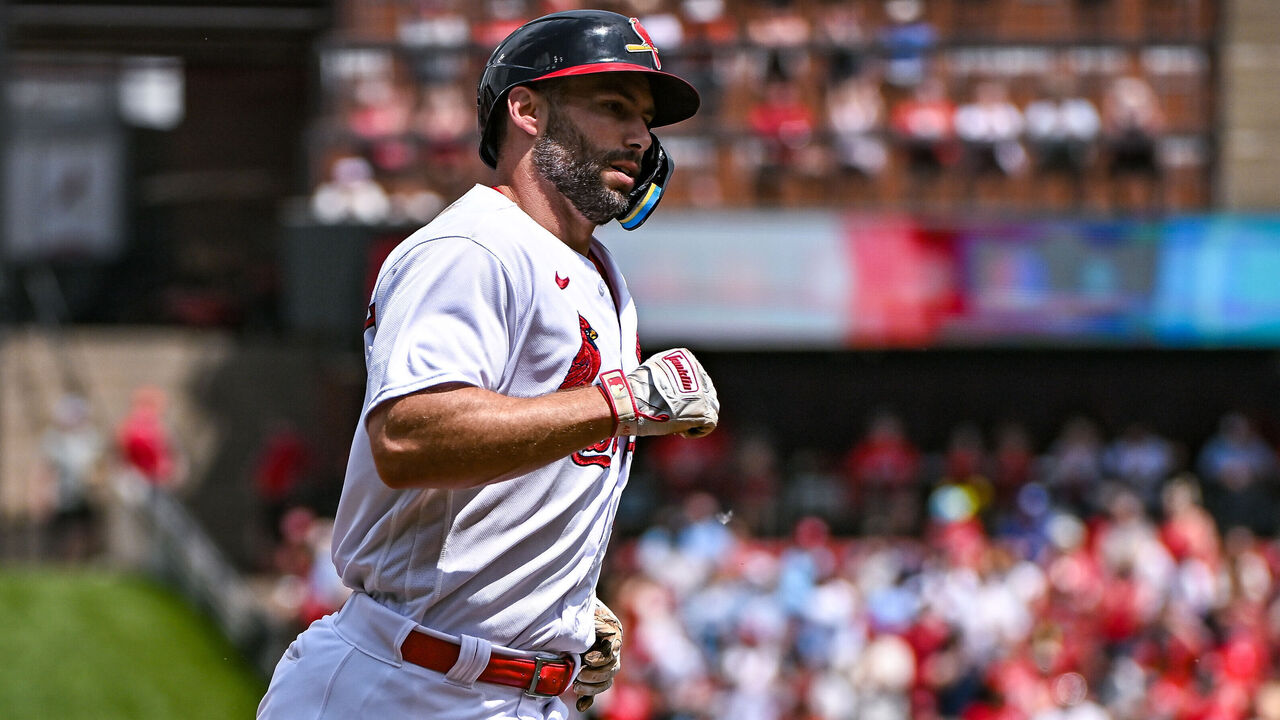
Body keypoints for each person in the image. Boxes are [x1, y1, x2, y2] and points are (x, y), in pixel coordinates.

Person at [258, 10, 720, 720]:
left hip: (511, 689)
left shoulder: (593, 273)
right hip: (405, 684)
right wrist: (620, 401)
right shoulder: (474, 248)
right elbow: (410, 439)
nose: (639, 136)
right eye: (613, 106)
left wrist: (551, 618)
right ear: (527, 110)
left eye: (646, 118)